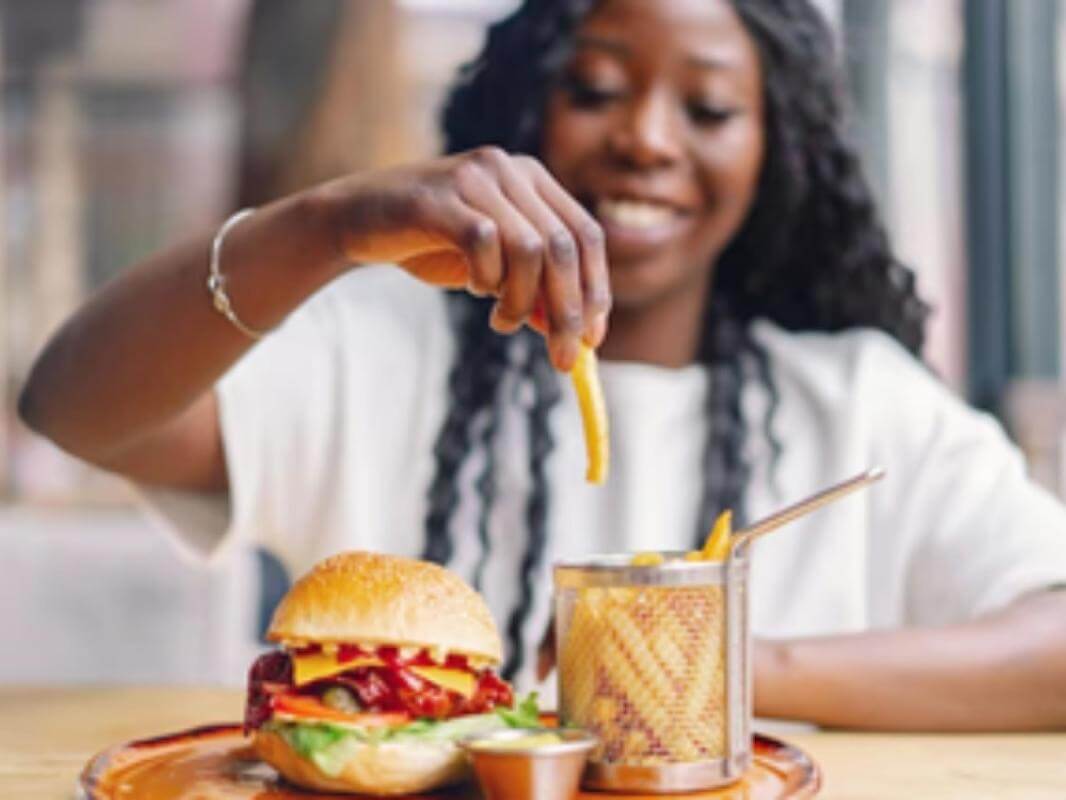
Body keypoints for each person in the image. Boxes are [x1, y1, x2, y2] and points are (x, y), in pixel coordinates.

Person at [18, 0, 1066, 730]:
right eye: (598, 88)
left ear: (777, 149)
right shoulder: (377, 348)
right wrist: (324, 224)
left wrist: (727, 662)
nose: (647, 140)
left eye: (707, 108)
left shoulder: (858, 399)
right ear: (526, 108)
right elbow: (74, 408)